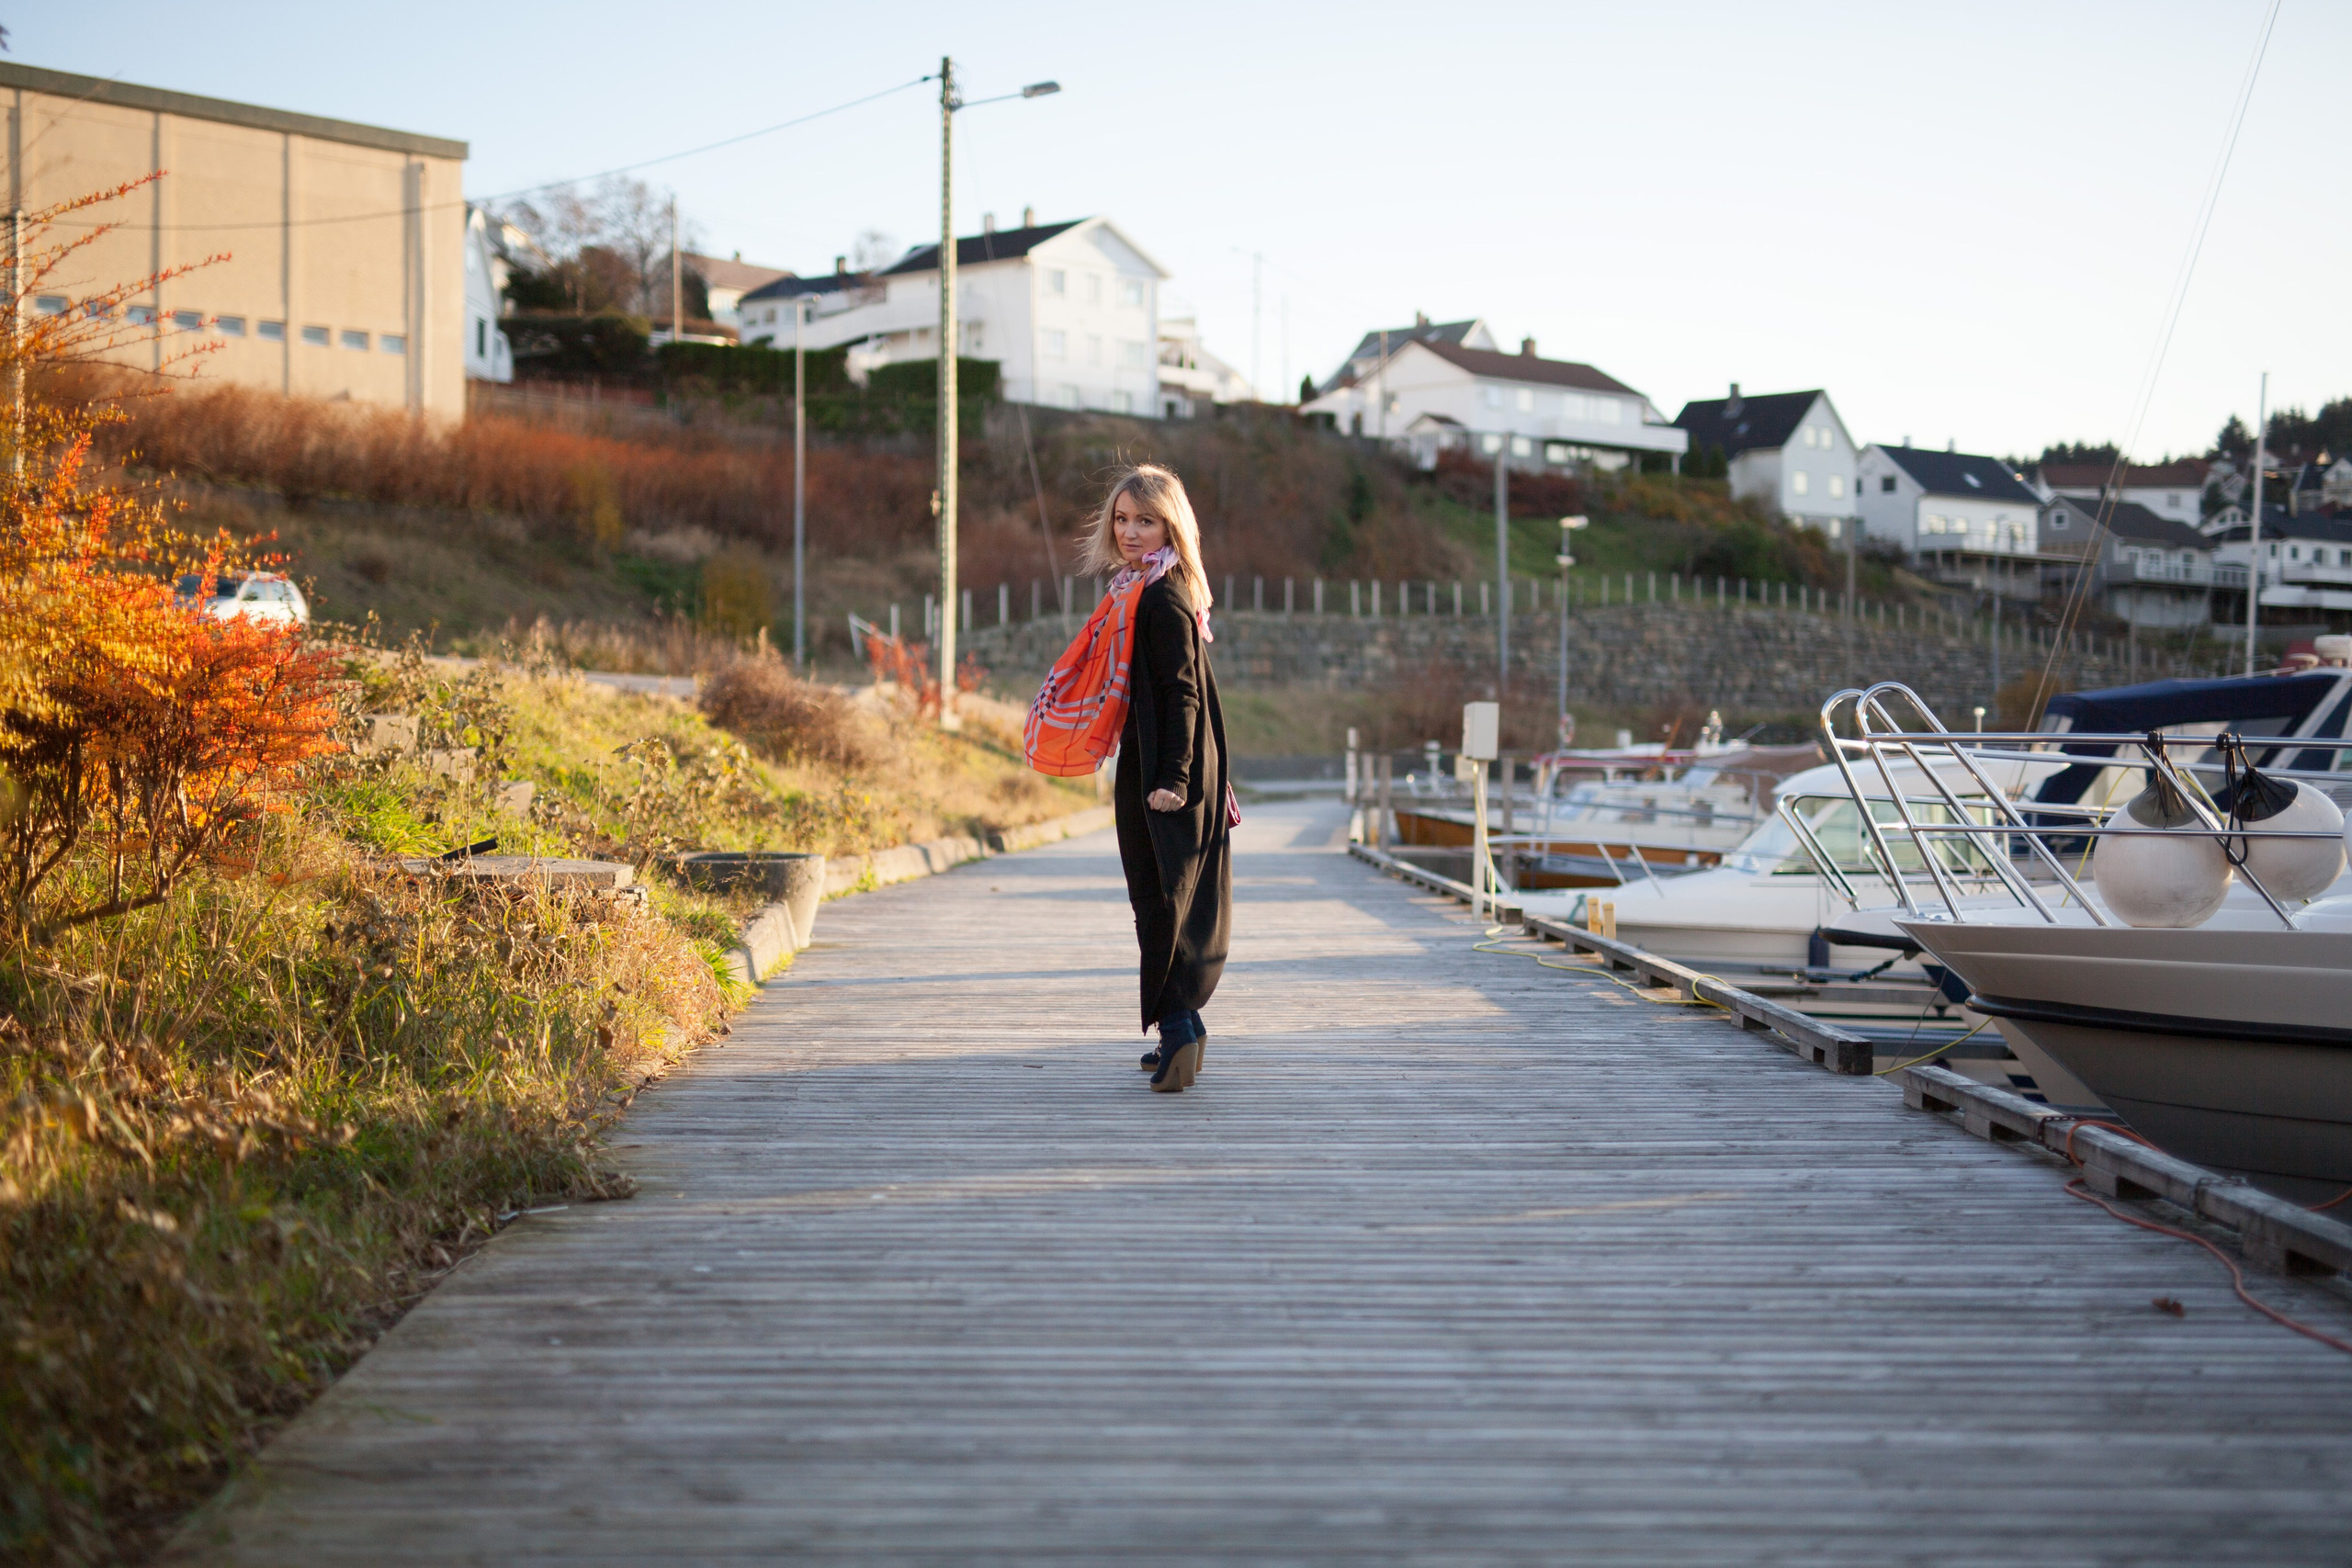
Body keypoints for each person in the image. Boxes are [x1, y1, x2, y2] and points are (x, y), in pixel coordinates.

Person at [1022, 464, 1233, 1093]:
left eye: (1146, 520)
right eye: (1122, 518)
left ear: (1171, 524)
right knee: (1165, 895)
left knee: (1158, 898)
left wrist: (1171, 778)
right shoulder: (1138, 590)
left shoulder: (1160, 596)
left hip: (1167, 767)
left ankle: (1175, 1032)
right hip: (1157, 758)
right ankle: (1185, 1026)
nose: (1132, 530)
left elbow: (1183, 694)